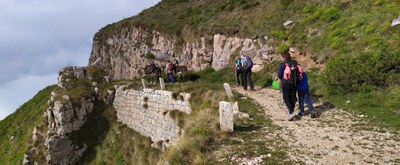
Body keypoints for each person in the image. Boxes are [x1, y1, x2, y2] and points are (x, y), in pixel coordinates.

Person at [277, 50, 298, 121]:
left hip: (285, 83)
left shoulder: (282, 65)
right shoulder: (294, 63)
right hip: (294, 83)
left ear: (284, 58)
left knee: (286, 98)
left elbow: (279, 75)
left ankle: (291, 112)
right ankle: (291, 112)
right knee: (292, 98)